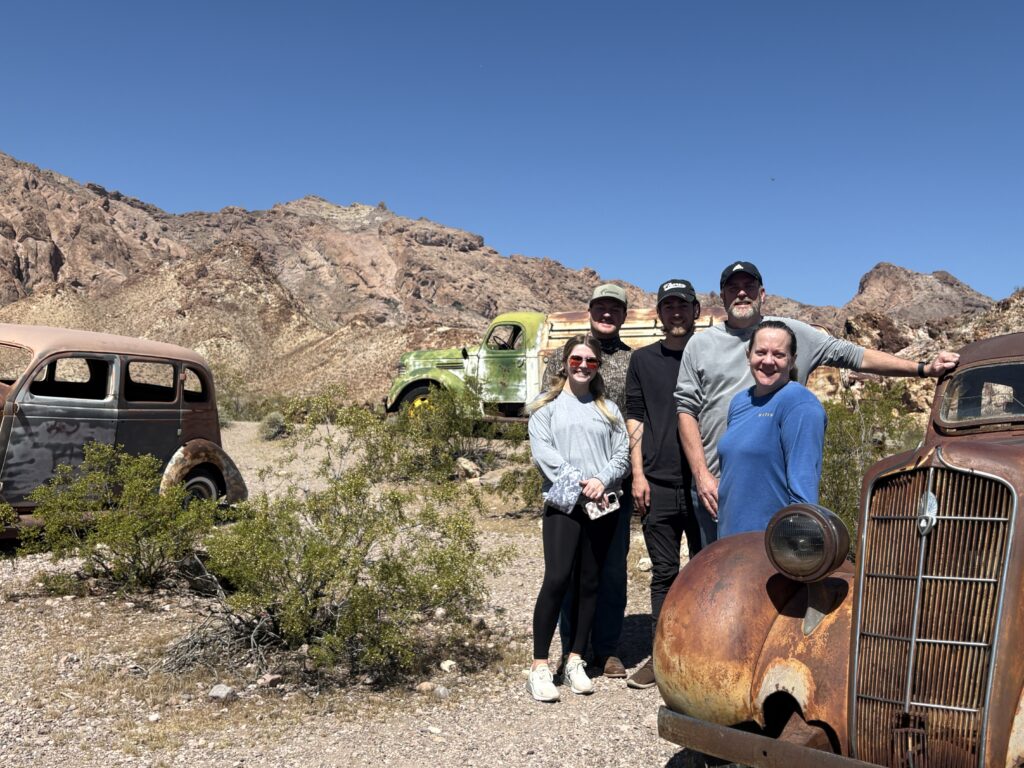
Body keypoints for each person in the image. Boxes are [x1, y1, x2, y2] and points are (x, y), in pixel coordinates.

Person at [675, 260, 961, 545]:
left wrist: (922, 368)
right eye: (733, 288)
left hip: (772, 492)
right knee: (715, 576)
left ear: (762, 294)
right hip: (714, 489)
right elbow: (686, 410)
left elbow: (854, 355)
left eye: (748, 286)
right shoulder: (700, 345)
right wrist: (702, 475)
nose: (741, 293)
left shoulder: (792, 334)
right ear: (722, 295)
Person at [526, 335, 629, 702]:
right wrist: (580, 482)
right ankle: (539, 666)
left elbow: (622, 453)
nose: (583, 366)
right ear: (564, 363)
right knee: (557, 578)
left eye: (590, 361)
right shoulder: (546, 408)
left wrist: (602, 480)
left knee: (590, 581)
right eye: (576, 360)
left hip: (601, 502)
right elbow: (544, 454)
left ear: (598, 367)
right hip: (564, 502)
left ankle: (575, 660)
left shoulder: (609, 409)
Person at [544, 283, 634, 679]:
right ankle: (571, 649)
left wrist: (617, 474)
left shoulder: (634, 361)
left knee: (610, 567)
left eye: (615, 308)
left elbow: (632, 426)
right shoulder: (563, 356)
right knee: (567, 570)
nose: (607, 314)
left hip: (610, 486)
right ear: (590, 310)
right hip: (567, 488)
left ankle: (608, 648)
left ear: (624, 315)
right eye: (601, 307)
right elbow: (547, 412)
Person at [622, 278, 703, 690]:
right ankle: (661, 656)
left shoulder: (712, 354)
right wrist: (637, 473)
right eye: (668, 306)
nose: (676, 313)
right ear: (659, 313)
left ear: (696, 312)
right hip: (658, 482)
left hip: (705, 483)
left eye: (683, 306)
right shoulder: (643, 360)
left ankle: (706, 654)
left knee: (708, 572)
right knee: (665, 574)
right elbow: (634, 416)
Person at [716, 320, 827, 538]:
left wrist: (795, 547)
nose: (768, 361)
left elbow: (804, 490)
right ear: (748, 355)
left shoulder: (800, 404)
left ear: (792, 360)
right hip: (729, 539)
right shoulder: (740, 401)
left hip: (771, 545)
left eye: (779, 354)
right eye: (761, 352)